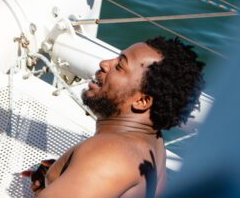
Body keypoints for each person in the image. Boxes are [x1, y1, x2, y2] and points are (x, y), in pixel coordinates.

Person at [23, 36, 205, 197]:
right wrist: (64, 179)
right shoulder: (154, 146)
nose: (104, 63)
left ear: (142, 101)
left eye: (119, 66)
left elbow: (108, 163)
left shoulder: (110, 154)